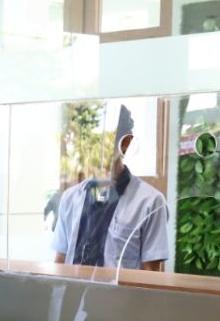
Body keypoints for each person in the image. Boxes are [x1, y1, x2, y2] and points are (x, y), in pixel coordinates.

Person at [53, 105, 168, 271]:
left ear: (126, 142)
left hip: (118, 297)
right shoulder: (70, 198)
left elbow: (150, 275)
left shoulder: (150, 202)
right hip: (73, 295)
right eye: (86, 139)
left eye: (102, 138)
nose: (93, 148)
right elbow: (61, 259)